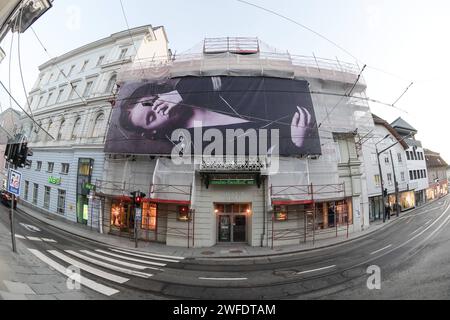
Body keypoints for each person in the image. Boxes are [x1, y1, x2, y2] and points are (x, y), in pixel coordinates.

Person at [113, 76, 317, 156]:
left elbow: (208, 80)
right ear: (153, 132)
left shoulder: (201, 87)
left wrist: (179, 94)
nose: (157, 109)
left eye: (152, 101)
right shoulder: (190, 147)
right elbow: (267, 155)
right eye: (151, 118)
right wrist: (297, 143)